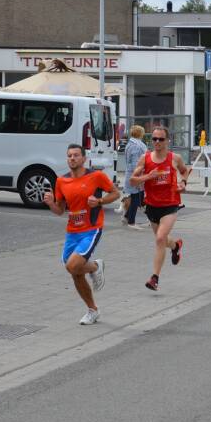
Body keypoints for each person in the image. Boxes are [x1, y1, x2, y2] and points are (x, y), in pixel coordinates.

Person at [43, 144, 120, 325]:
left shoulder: (96, 176)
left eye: (76, 155)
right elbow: (60, 210)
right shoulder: (61, 181)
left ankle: (94, 267)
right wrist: (50, 203)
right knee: (75, 272)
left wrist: (99, 200)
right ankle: (93, 310)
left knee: (72, 265)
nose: (72, 158)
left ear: (84, 159)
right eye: (69, 155)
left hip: (91, 228)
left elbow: (116, 194)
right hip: (72, 231)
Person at [129, 126, 188, 291]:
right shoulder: (145, 158)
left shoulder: (175, 158)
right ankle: (176, 246)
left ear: (167, 140)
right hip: (152, 205)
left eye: (161, 139)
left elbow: (184, 171)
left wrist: (183, 183)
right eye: (154, 139)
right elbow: (132, 180)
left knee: (160, 238)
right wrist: (148, 176)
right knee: (162, 240)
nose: (157, 142)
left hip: (170, 204)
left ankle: (154, 278)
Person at [122, 125, 147, 230]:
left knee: (138, 197)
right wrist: (138, 177)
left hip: (132, 174)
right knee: (136, 198)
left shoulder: (130, 144)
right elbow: (136, 163)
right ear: (140, 133)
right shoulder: (136, 146)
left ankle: (127, 216)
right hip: (136, 175)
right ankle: (131, 222)